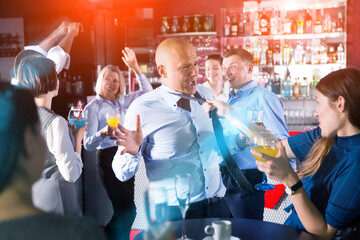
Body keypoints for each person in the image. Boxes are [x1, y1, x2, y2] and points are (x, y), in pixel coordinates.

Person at [111, 38, 247, 221]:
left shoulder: (205, 95)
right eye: (185, 67)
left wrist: (238, 141)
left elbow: (214, 147)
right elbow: (121, 174)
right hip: (173, 215)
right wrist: (132, 153)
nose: (194, 72)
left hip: (218, 205)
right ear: (162, 71)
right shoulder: (142, 108)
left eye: (196, 64)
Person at [251, 68, 360, 239]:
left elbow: (325, 234)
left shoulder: (356, 162)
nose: (315, 112)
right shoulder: (322, 136)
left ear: (340, 104)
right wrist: (250, 131)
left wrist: (291, 181)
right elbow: (278, 148)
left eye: (319, 103)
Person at [0, 82, 106, 240]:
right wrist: (76, 140)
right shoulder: (81, 231)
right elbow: (71, 174)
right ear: (28, 142)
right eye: (38, 131)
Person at [83, 47, 152, 240]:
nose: (111, 84)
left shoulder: (125, 101)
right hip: (106, 158)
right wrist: (104, 132)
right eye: (107, 79)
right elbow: (88, 144)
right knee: (126, 212)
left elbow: (148, 92)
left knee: (129, 211)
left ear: (120, 83)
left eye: (115, 80)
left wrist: (136, 68)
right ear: (100, 81)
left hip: (125, 155)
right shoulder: (93, 107)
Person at [217, 48, 289, 220]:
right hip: (224, 177)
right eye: (224, 67)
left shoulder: (264, 98)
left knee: (248, 233)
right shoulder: (231, 98)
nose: (227, 72)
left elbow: (281, 141)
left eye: (233, 67)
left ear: (250, 69)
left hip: (246, 178)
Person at [17, 55, 86, 216]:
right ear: (47, 80)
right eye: (56, 75)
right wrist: (77, 140)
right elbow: (71, 174)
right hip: (58, 201)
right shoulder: (56, 122)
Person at [11, 21, 81, 85]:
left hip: (26, 85)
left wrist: (72, 32)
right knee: (36, 58)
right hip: (19, 77)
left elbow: (57, 56)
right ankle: (61, 31)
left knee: (52, 66)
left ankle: (68, 30)